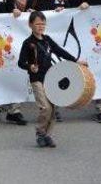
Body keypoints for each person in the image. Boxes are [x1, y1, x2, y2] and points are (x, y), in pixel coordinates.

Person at [17, 11, 87, 147]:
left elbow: (60, 51)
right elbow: (21, 62)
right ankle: (40, 132)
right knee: (45, 108)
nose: (40, 26)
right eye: (37, 24)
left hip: (50, 78)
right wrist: (30, 66)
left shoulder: (47, 40)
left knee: (53, 109)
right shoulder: (28, 43)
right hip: (37, 79)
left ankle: (47, 135)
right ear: (30, 25)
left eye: (43, 24)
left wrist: (76, 61)